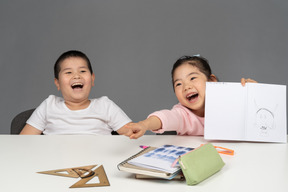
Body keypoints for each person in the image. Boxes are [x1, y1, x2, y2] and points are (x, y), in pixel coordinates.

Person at [126, 55, 257, 139]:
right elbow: (166, 117)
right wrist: (144, 124)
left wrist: (254, 93)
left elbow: (254, 117)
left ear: (211, 80)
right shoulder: (183, 115)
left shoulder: (230, 102)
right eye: (178, 84)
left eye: (192, 78)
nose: (186, 86)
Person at [20, 50, 132, 135]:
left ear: (92, 79)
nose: (76, 76)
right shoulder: (49, 105)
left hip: (97, 162)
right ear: (57, 83)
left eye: (82, 71)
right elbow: (23, 141)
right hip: (56, 163)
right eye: (68, 72)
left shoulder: (105, 106)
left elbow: (133, 133)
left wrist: (147, 124)